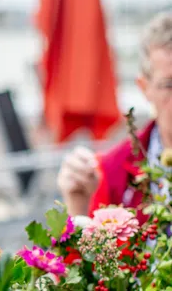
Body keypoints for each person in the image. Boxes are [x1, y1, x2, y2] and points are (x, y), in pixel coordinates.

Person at [57, 12, 172, 222]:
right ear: (145, 88)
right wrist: (78, 208)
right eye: (169, 85)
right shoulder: (112, 171)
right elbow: (87, 254)